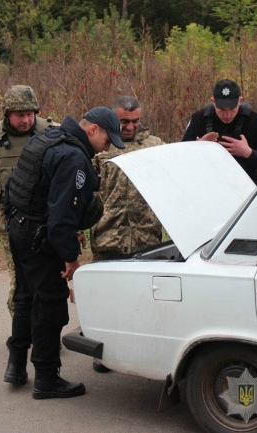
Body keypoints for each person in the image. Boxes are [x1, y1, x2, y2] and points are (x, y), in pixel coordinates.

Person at [3, 106, 124, 399]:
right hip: (40, 236)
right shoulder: (73, 157)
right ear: (93, 129)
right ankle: (46, 379)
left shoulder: (48, 137)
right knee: (50, 304)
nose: (108, 147)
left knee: (25, 297)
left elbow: (24, 187)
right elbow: (60, 220)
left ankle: (16, 366)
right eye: (108, 139)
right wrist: (71, 258)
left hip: (18, 226)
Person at [0, 85, 57, 316]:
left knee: (49, 275)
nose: (26, 120)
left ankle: (44, 327)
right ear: (7, 114)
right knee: (19, 275)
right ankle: (21, 324)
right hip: (8, 215)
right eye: (20, 115)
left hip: (45, 215)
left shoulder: (52, 131)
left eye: (29, 114)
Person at [89, 96, 164, 373]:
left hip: (146, 236)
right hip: (108, 234)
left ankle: (142, 351)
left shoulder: (155, 146)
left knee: (144, 298)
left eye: (135, 121)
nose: (130, 127)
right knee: (106, 298)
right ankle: (102, 352)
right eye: (124, 122)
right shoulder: (100, 147)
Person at [181, 79, 257, 184]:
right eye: (222, 110)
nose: (227, 115)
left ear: (240, 101)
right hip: (207, 185)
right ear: (213, 102)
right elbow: (179, 159)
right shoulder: (198, 119)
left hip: (247, 186)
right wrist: (196, 149)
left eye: (232, 109)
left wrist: (248, 153)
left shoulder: (255, 121)